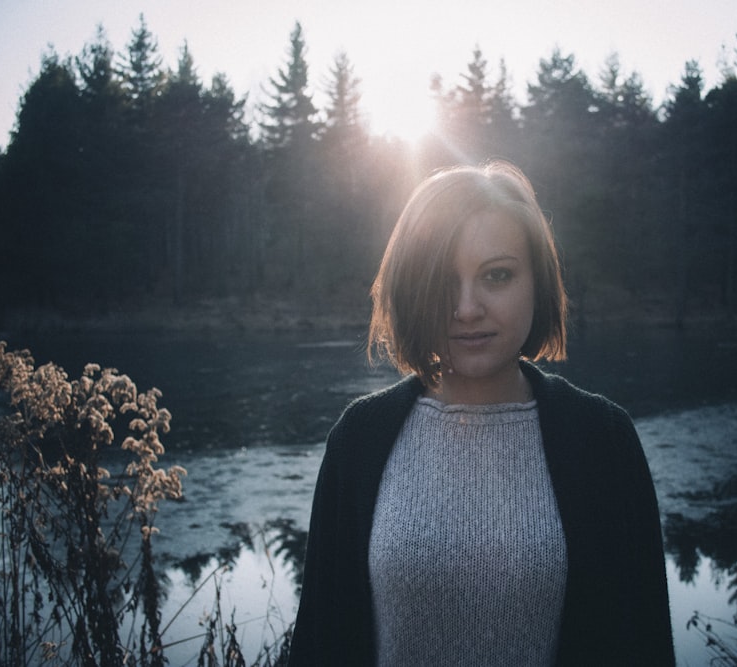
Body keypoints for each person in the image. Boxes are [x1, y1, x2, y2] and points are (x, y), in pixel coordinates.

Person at [288, 161, 674, 666]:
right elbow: (321, 642)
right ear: (411, 289)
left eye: (497, 275)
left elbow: (643, 643)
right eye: (443, 280)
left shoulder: (604, 440)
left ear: (536, 282)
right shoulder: (359, 441)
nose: (466, 308)